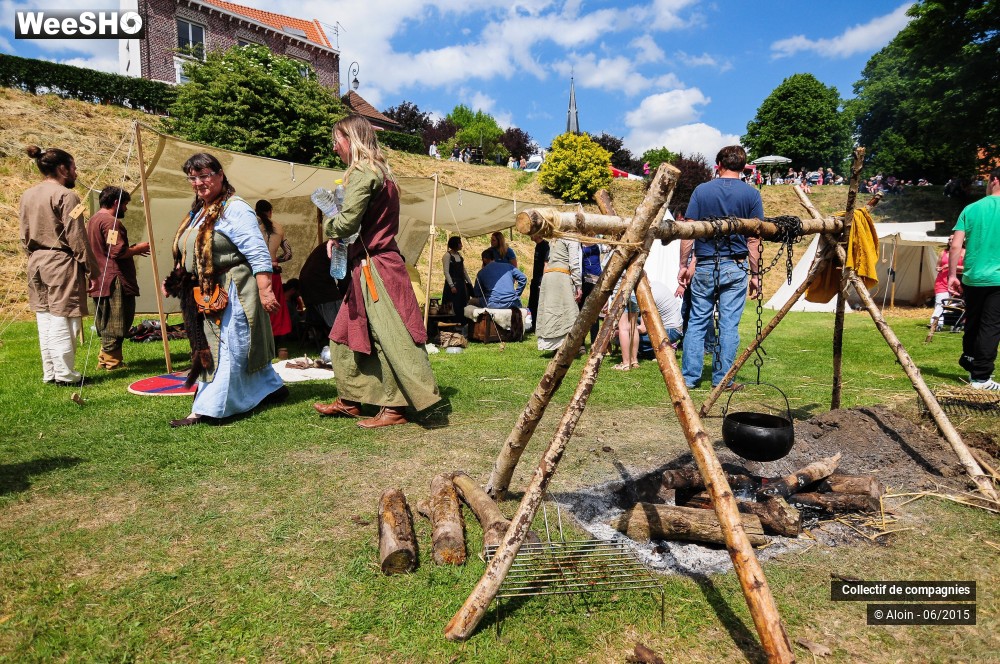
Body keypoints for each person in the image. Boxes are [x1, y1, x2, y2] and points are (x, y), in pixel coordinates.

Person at [313, 116, 441, 428]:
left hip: (376, 269)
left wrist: (330, 227)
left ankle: (395, 408)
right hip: (370, 265)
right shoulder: (380, 171)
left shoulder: (362, 172)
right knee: (345, 334)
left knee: (389, 337)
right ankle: (350, 400)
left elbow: (346, 223)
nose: (334, 147)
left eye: (338, 140)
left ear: (352, 139)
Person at [163, 152, 286, 427]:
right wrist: (176, 278)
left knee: (226, 348)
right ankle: (271, 388)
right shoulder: (199, 210)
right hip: (208, 288)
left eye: (205, 175)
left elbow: (258, 252)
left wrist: (266, 290)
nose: (199, 182)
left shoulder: (234, 208)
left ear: (220, 175)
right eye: (193, 178)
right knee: (231, 346)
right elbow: (189, 249)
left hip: (234, 288)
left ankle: (211, 407)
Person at [678, 145, 761, 390]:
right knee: (728, 325)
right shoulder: (752, 194)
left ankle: (689, 379)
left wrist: (683, 265)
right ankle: (723, 380)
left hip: (703, 264)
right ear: (743, 167)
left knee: (696, 322)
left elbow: (688, 232)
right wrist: (755, 276)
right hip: (735, 266)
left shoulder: (702, 191)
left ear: (719, 165)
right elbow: (754, 239)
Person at [20, 145, 99, 386]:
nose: (76, 173)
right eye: (73, 168)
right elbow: (77, 236)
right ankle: (66, 374)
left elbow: (23, 233)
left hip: (36, 261)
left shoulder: (27, 195)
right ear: (62, 168)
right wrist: (91, 269)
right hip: (60, 261)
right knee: (63, 317)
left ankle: (51, 372)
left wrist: (33, 256)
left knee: (44, 316)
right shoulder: (67, 195)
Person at [86, 186, 150, 370]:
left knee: (107, 320)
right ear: (116, 202)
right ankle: (112, 362)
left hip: (100, 278)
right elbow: (117, 252)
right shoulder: (110, 222)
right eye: (125, 205)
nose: (126, 209)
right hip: (114, 280)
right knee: (117, 320)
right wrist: (139, 249)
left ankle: (105, 359)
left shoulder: (93, 220)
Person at [949, 167, 1000, 390]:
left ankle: (970, 358)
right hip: (997, 280)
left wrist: (952, 275)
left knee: (974, 322)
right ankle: (981, 378)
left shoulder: (970, 209)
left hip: (972, 277)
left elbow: (955, 244)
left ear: (994, 180)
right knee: (991, 326)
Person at [256, 199, 293, 341]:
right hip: (274, 270)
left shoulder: (252, 226)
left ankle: (262, 342)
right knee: (276, 307)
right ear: (270, 212)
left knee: (258, 307)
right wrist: (276, 260)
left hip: (257, 272)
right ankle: (281, 346)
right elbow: (289, 254)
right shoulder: (279, 228)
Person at [536, 237, 582, 352]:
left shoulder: (555, 237)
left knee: (552, 311)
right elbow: (574, 262)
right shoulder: (571, 239)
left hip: (549, 276)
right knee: (568, 312)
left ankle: (556, 346)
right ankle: (565, 346)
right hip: (561, 277)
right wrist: (578, 285)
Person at [931, 234, 963, 331]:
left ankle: (958, 323)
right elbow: (937, 266)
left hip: (958, 282)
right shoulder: (943, 253)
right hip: (942, 281)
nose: (950, 240)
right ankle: (936, 324)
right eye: (949, 239)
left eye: (952, 239)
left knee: (959, 304)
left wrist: (951, 266)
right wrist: (939, 268)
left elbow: (967, 268)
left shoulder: (964, 252)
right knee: (940, 303)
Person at [442, 235, 473, 327]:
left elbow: (463, 271)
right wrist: (451, 285)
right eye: (460, 243)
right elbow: (446, 272)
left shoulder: (459, 255)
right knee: (452, 305)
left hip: (461, 284)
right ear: (456, 244)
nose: (461, 245)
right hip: (453, 284)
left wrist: (469, 282)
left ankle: (462, 323)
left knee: (462, 304)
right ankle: (451, 324)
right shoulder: (447, 256)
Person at [580, 241, 603, 345]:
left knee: (594, 313)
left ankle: (594, 342)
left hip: (595, 281)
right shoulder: (579, 244)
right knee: (581, 313)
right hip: (584, 280)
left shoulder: (597, 244)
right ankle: (581, 343)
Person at [527, 233, 549, 328]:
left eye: (533, 233)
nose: (530, 235)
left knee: (540, 304)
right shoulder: (538, 245)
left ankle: (540, 326)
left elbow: (546, 264)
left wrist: (543, 281)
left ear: (538, 234)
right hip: (535, 279)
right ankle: (532, 325)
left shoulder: (545, 246)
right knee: (532, 303)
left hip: (541, 280)